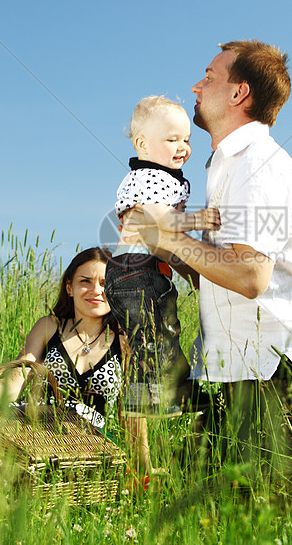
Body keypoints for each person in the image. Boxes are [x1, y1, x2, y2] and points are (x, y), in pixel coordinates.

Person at [125, 41, 292, 469]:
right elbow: (222, 270)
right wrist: (165, 248)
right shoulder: (225, 166)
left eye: (209, 77)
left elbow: (250, 276)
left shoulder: (257, 163)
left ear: (238, 94)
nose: (195, 86)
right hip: (238, 375)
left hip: (281, 378)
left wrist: (168, 235)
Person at [0, 247, 154, 474]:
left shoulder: (125, 338)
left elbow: (134, 411)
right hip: (35, 433)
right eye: (85, 281)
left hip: (90, 444)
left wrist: (144, 467)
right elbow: (20, 374)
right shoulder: (49, 327)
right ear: (70, 288)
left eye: (104, 283)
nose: (95, 290)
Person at [104, 95, 220, 416]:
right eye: (172, 139)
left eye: (187, 139)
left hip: (149, 273)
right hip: (135, 272)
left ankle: (177, 390)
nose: (183, 146)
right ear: (142, 145)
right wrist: (196, 219)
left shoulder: (166, 178)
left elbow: (169, 242)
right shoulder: (149, 178)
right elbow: (160, 221)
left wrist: (191, 273)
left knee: (165, 333)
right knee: (152, 336)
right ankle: (143, 397)